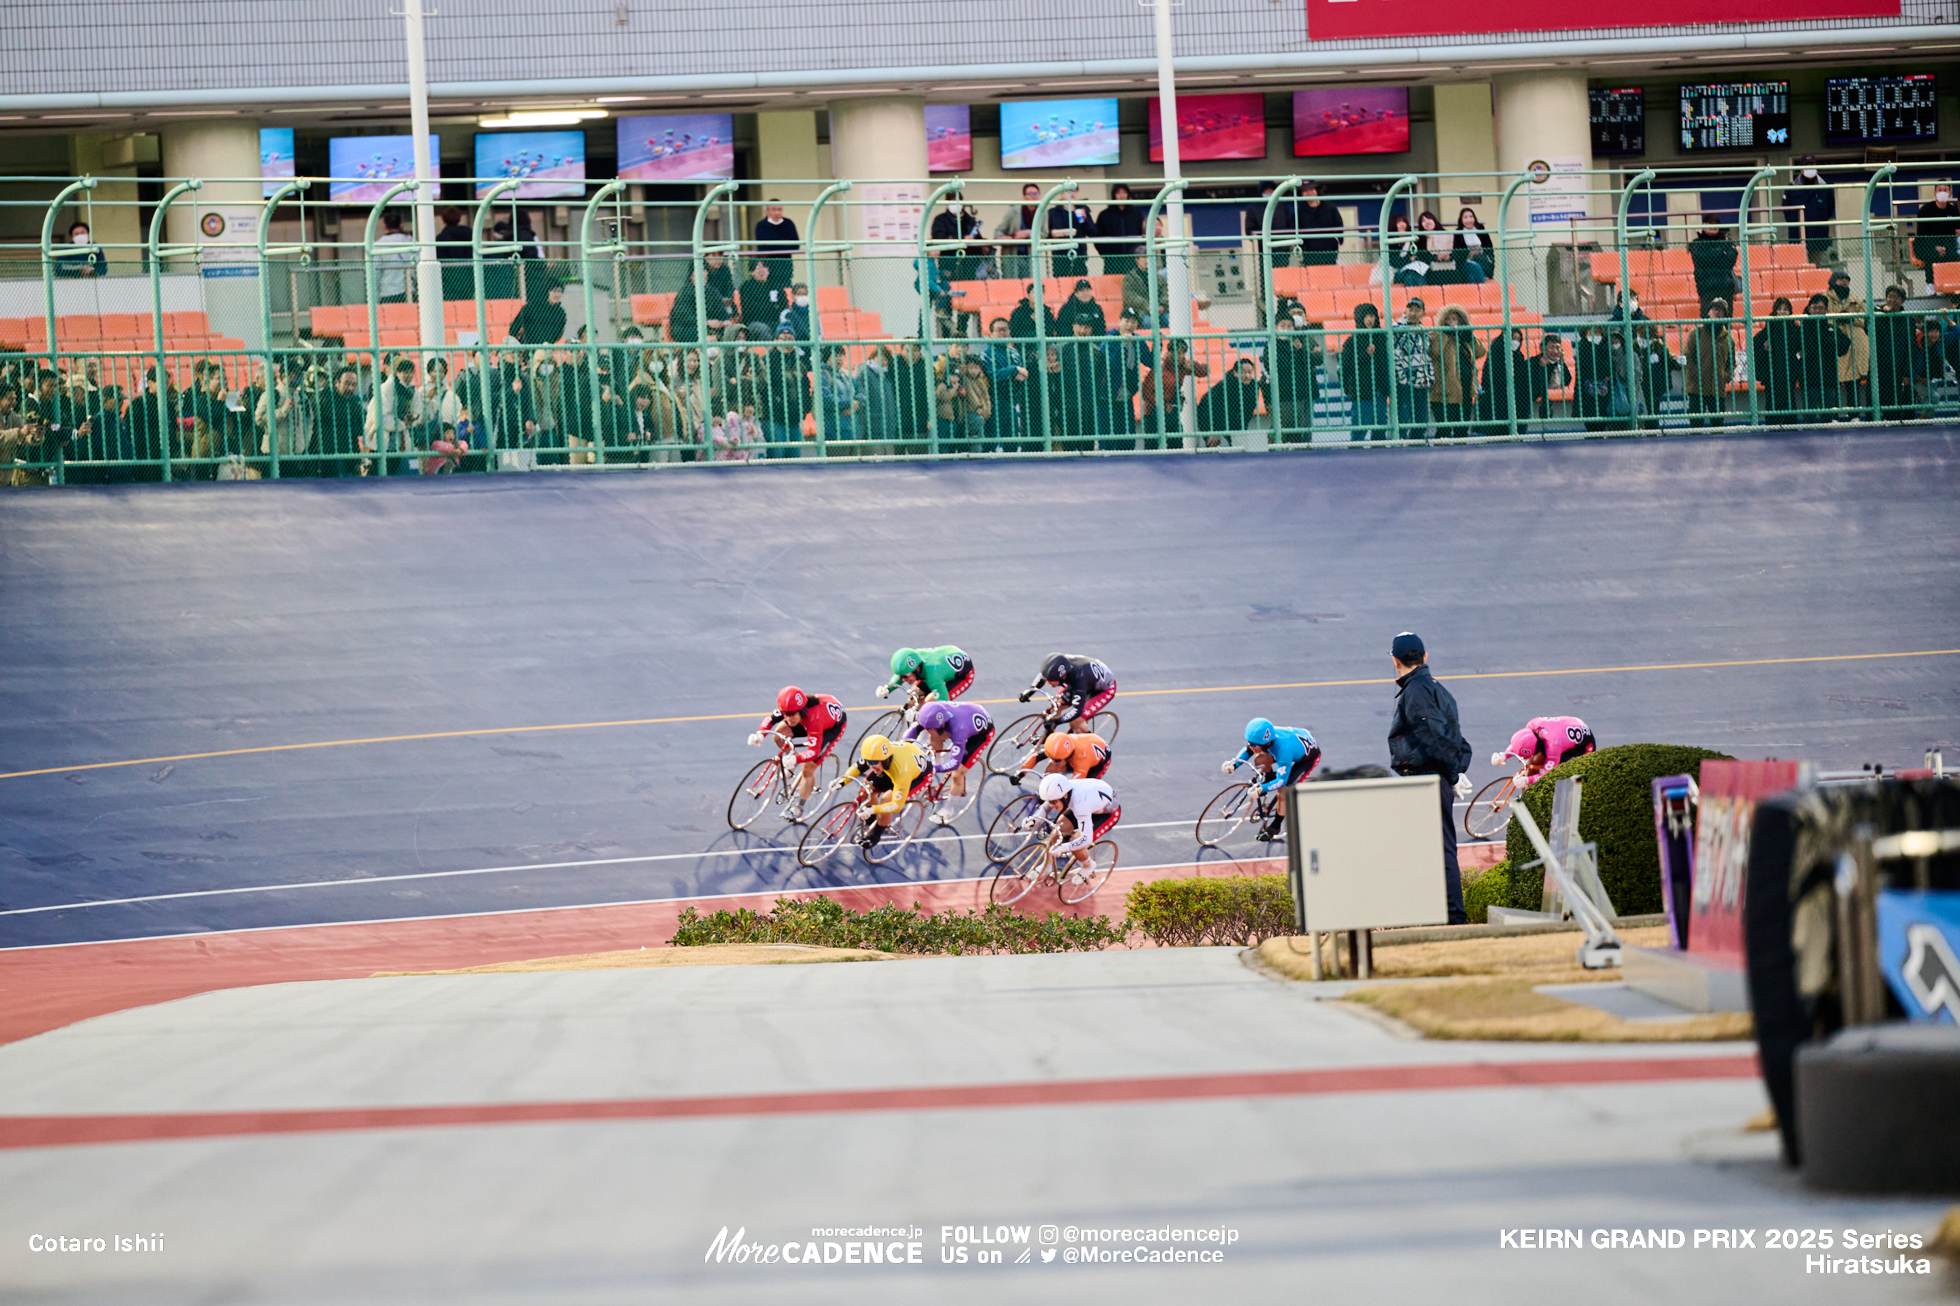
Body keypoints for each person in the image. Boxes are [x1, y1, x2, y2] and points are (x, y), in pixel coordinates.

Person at [1386, 631, 1473, 926]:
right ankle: (1440, 914)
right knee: (1436, 847)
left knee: (1438, 849)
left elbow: (1435, 737)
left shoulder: (1416, 692)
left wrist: (1450, 773)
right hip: (1438, 777)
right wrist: (1457, 770)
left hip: (1428, 779)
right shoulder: (1437, 689)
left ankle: (1452, 918)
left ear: (1395, 661)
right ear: (1424, 657)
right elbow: (1457, 738)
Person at [748, 685, 848, 822]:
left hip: (830, 727)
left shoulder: (814, 719)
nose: (789, 719)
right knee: (778, 735)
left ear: (802, 710)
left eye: (792, 714)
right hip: (808, 718)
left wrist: (796, 759)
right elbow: (770, 720)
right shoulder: (791, 707)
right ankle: (791, 766)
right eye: (785, 715)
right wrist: (759, 734)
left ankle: (799, 807)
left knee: (807, 768)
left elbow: (813, 752)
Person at [1220, 717, 1322, 841]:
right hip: (1297, 740)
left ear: (1266, 743)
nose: (1251, 747)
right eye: (1250, 742)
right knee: (1259, 759)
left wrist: (1261, 789)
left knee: (1283, 792)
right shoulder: (1264, 739)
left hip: (1307, 759)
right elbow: (1248, 749)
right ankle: (1268, 780)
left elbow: (1281, 781)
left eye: (1254, 745)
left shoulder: (1283, 751)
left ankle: (1276, 826)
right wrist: (1234, 764)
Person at [826, 734, 935, 849]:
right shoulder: (875, 755)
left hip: (917, 776)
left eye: (874, 763)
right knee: (865, 789)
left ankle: (876, 834)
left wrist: (873, 809)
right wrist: (842, 781)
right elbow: (858, 767)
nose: (870, 765)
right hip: (894, 766)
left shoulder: (901, 771)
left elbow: (896, 806)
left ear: (886, 759)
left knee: (886, 800)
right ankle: (871, 821)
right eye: (869, 762)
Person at [902, 699, 995, 815]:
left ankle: (948, 809)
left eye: (929, 728)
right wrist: (902, 747)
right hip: (966, 713)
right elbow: (915, 729)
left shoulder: (959, 730)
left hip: (980, 734)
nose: (927, 730)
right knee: (934, 734)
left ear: (943, 725)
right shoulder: (930, 712)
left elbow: (954, 763)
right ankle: (937, 758)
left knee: (957, 773)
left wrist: (933, 769)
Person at [1035, 771, 1120, 878]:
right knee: (1057, 830)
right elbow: (1048, 804)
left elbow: (1086, 839)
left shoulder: (1080, 805)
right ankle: (1047, 865)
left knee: (1075, 841)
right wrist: (1034, 819)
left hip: (1107, 814)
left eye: (1054, 802)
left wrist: (1064, 847)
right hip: (1092, 803)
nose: (1051, 806)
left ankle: (1088, 865)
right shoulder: (1063, 788)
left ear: (1065, 795)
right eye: (1049, 802)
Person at [1018, 651, 1115, 735]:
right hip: (1088, 678)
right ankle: (1048, 739)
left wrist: (1056, 721)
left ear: (1063, 676)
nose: (1048, 682)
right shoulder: (1060, 664)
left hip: (1104, 689)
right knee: (1055, 706)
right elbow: (1043, 676)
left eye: (1051, 680)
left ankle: (1090, 746)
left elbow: (1077, 711)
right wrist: (1029, 692)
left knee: (1075, 721)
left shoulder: (1078, 679)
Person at [1428, 305, 1485, 436]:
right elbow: (1434, 352)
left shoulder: (1464, 338)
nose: (1452, 322)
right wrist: (1445, 334)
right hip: (1444, 391)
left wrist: (1470, 336)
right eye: (1448, 319)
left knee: (1462, 428)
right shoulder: (1437, 336)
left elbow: (1481, 352)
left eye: (1455, 319)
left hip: (1464, 389)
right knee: (1444, 429)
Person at [1340, 302, 1392, 440]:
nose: (1370, 320)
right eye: (1366, 316)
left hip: (1380, 390)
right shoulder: (1352, 342)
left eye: (1372, 316)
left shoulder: (1382, 338)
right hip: (1362, 392)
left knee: (1380, 428)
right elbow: (1346, 366)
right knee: (1359, 430)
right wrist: (1364, 355)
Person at [1194, 355, 1268, 448]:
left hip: (1231, 416)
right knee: (1212, 443)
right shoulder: (1226, 386)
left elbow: (1248, 411)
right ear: (1235, 373)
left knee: (1240, 442)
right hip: (1207, 414)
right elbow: (1216, 410)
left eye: (1250, 372)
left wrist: (1241, 430)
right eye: (1243, 372)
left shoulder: (1253, 387)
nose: (1247, 376)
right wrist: (1214, 431)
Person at [1824, 269, 1870, 418]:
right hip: (1834, 345)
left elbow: (1864, 320)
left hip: (1855, 346)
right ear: (1833, 281)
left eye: (1847, 279)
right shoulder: (1825, 299)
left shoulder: (1856, 299)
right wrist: (1839, 318)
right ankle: (1834, 416)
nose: (1844, 281)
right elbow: (1824, 317)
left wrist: (1849, 319)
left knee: (1853, 382)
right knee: (1834, 383)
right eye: (1841, 278)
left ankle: (1854, 415)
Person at [1871, 284, 1919, 421]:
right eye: (1890, 297)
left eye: (1896, 297)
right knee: (1880, 397)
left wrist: (1906, 372)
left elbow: (1911, 348)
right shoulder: (1877, 314)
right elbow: (1869, 330)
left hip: (1900, 366)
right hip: (1880, 365)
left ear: (1902, 301)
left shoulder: (1908, 320)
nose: (1892, 300)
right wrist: (1884, 313)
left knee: (1900, 397)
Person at [1496, 716, 1596, 783]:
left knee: (1557, 775)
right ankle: (1529, 798)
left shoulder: (1553, 746)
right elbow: (1519, 743)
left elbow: (1548, 774)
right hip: (1568, 727)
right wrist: (1504, 755)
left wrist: (1527, 780)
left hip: (1583, 746)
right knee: (1532, 763)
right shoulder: (1531, 725)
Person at [1683, 301, 1734, 429]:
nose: (1717, 312)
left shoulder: (1728, 339)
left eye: (1721, 310)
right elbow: (1687, 356)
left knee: (1718, 425)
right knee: (1696, 425)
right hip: (1697, 388)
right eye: (1715, 308)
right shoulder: (1696, 333)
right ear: (1708, 312)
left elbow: (1731, 362)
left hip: (1717, 388)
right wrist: (1695, 374)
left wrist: (1725, 376)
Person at [1271, 316, 1320, 444]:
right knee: (1282, 431)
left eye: (1289, 326)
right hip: (1282, 397)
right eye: (1283, 326)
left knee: (1299, 432)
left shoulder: (1299, 345)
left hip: (1300, 395)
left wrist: (1300, 350)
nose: (1287, 329)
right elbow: (1282, 367)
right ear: (1276, 328)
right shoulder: (1272, 346)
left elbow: (1310, 362)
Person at [1012, 727, 1112, 788]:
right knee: (1052, 768)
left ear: (1067, 758)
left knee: (1084, 792)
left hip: (1098, 762)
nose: (1053, 760)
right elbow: (1035, 757)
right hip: (1086, 743)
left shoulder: (1081, 762)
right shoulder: (1059, 747)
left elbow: (1074, 787)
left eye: (1057, 759)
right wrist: (1020, 774)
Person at [1752, 297, 1800, 423]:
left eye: (1785, 309)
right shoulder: (1768, 330)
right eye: (1779, 309)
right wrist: (1763, 349)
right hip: (1771, 373)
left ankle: (1790, 424)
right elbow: (1754, 346)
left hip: (1790, 372)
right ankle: (1772, 425)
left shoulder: (1795, 330)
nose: (1782, 312)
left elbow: (1801, 350)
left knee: (1789, 399)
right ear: (1775, 311)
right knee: (1772, 400)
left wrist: (1797, 357)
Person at [1391, 297, 1434, 436]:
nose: (1413, 313)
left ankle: (1417, 445)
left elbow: (1426, 356)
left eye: (1417, 310)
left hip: (1420, 381)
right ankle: (1400, 444)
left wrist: (1429, 376)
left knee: (1421, 419)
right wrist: (1401, 378)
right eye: (1410, 309)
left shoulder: (1424, 332)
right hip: (1404, 382)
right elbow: (1395, 355)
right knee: (1403, 417)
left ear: (1423, 313)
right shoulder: (1397, 330)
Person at [879, 645, 974, 704]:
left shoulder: (933, 676)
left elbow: (944, 704)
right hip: (942, 665)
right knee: (912, 698)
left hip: (963, 675)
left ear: (916, 669)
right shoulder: (914, 659)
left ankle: (925, 734)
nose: (903, 680)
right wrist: (888, 689)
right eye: (901, 677)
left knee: (930, 703)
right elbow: (901, 674)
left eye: (905, 676)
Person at [1631, 321, 1681, 431]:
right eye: (1642, 336)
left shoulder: (1658, 345)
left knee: (1653, 411)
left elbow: (1670, 360)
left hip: (1654, 385)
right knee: (1638, 411)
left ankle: (1652, 431)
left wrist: (1679, 363)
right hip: (1637, 385)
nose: (1644, 339)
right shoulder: (1633, 345)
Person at [1785, 159, 1836, 265]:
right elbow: (1786, 210)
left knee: (1818, 269)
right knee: (1798, 269)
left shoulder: (1825, 188)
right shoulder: (1791, 188)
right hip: (1797, 238)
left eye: (1812, 166)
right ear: (1801, 170)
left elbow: (1830, 209)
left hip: (1819, 237)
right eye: (1807, 166)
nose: (1810, 170)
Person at [1914, 184, 1960, 291]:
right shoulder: (1925, 210)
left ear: (1950, 192)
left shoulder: (1954, 211)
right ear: (1935, 192)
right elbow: (1921, 235)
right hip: (1926, 244)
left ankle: (1951, 285)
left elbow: (1956, 232)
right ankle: (1930, 284)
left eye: (1945, 190)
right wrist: (1935, 247)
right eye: (1940, 190)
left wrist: (1945, 247)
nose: (1942, 192)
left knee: (1953, 254)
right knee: (1931, 254)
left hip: (1947, 245)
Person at [1095, 183, 1146, 278]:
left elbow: (1141, 234)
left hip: (1132, 261)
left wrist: (1137, 253)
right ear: (1114, 195)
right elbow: (1098, 238)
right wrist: (1107, 255)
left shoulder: (1136, 213)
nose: (1121, 195)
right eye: (1118, 192)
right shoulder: (1105, 215)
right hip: (1112, 261)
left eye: (1124, 192)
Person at [994, 183, 1044, 280]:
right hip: (1013, 254)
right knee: (1013, 284)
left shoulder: (1042, 212)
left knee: (1031, 283)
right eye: (1030, 194)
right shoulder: (1014, 211)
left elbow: (1044, 233)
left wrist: (1028, 233)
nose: (1034, 197)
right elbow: (999, 230)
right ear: (1024, 197)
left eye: (1036, 193)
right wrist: (1003, 238)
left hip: (1031, 255)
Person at [1689, 220, 1738, 315]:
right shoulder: (1696, 244)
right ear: (1703, 226)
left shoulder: (1728, 242)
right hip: (1707, 289)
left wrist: (1711, 255)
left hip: (1725, 288)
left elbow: (1729, 261)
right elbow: (1702, 259)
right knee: (1708, 322)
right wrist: (1722, 252)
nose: (1713, 226)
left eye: (1716, 224)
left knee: (1726, 320)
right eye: (1710, 223)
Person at [1295, 181, 1345, 268]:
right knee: (1311, 278)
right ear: (1301, 194)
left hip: (1329, 250)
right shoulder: (1299, 211)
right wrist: (1301, 246)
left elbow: (1338, 224)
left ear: (1317, 191)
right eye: (1305, 191)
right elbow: (1295, 228)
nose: (1309, 193)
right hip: (1309, 252)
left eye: (1311, 189)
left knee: (1329, 276)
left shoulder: (1330, 207)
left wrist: (1339, 240)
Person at [752, 200, 799, 288]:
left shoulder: (788, 224)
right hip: (768, 266)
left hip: (785, 266)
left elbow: (795, 245)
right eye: (773, 210)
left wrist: (773, 244)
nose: (777, 212)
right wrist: (784, 244)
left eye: (779, 209)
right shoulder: (761, 225)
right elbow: (762, 247)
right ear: (767, 212)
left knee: (785, 291)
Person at [374, 210, 415, 303]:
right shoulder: (410, 241)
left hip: (388, 291)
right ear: (401, 225)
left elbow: (375, 271)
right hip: (408, 290)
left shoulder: (379, 244)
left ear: (385, 226)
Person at [738, 259, 783, 340]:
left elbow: (783, 305)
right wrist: (772, 308)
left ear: (768, 270)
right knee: (763, 329)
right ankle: (773, 351)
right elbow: (749, 310)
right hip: (754, 323)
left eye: (764, 267)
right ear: (752, 272)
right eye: (758, 267)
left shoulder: (776, 286)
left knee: (787, 327)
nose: (761, 270)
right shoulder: (746, 287)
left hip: (775, 321)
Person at [1451, 208, 1495, 285]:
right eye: (1465, 217)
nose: (1469, 220)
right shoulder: (1458, 233)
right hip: (1466, 262)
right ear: (1461, 220)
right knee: (1475, 268)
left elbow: (1489, 248)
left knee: (1472, 277)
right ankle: (1481, 289)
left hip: (1483, 261)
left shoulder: (1480, 229)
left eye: (1471, 217)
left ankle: (1478, 292)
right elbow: (1457, 253)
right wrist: (1469, 252)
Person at [1415, 211, 1457, 284]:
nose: (1427, 222)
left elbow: (1458, 251)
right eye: (1423, 221)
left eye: (1429, 219)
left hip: (1449, 267)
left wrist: (1449, 256)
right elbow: (1421, 256)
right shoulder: (1420, 238)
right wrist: (1435, 257)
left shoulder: (1447, 234)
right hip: (1431, 269)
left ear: (1434, 220)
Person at [1385, 213, 1424, 286]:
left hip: (1414, 270)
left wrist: (1408, 259)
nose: (1402, 224)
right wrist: (1409, 259)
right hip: (1396, 272)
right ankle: (1420, 294)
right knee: (1410, 275)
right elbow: (1393, 262)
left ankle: (1421, 294)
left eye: (1404, 222)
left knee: (1413, 274)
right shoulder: (1388, 242)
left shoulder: (1413, 239)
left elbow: (1419, 256)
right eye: (1398, 222)